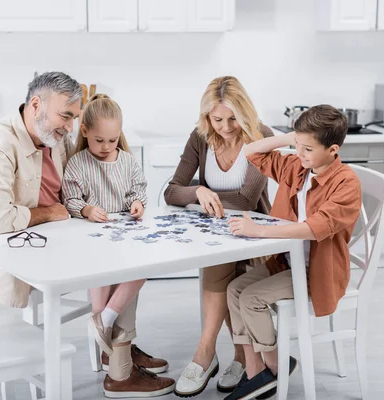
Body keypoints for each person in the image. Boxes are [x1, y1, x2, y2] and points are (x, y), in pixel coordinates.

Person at [223, 105, 362, 400]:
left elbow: (315, 227)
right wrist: (291, 138)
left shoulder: (346, 183)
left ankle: (274, 368)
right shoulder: (299, 165)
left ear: (333, 150)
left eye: (308, 148)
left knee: (251, 297)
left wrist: (259, 231)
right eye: (297, 146)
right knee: (234, 289)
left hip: (317, 274)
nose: (300, 153)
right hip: (288, 263)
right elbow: (252, 152)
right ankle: (256, 371)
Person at [164, 76, 273, 397]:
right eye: (217, 119)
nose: (226, 127)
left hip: (258, 236)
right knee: (219, 263)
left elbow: (245, 200)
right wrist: (197, 190)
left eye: (232, 118)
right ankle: (233, 357)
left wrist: (200, 195)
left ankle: (205, 355)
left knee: (224, 271)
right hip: (215, 234)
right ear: (207, 117)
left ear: (246, 112)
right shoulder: (200, 138)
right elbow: (172, 191)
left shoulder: (261, 137)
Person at [62, 94, 174, 398]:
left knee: (143, 267)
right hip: (94, 242)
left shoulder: (126, 160)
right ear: (84, 131)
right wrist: (85, 210)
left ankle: (106, 324)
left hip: (125, 238)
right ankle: (109, 343)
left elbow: (138, 191)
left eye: (113, 140)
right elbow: (70, 198)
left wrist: (137, 203)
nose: (107, 146)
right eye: (100, 140)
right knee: (102, 281)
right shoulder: (78, 163)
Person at [0, 71, 81, 308]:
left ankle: (116, 341)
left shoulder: (54, 136)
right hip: (17, 251)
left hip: (62, 237)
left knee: (124, 267)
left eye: (74, 118)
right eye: (65, 116)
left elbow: (80, 176)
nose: (70, 127)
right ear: (35, 105)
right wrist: (50, 213)